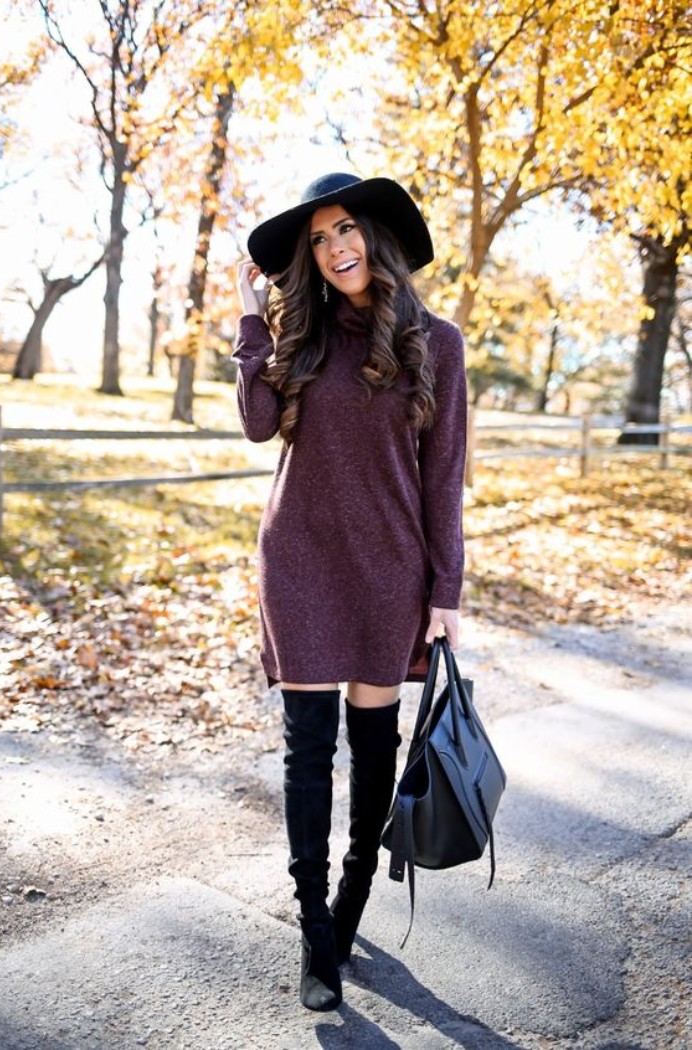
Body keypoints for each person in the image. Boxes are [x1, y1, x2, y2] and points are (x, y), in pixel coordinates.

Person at [233, 172, 467, 1012]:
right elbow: (260, 424)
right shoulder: (303, 336)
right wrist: (250, 324)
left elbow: (446, 477)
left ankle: (351, 901)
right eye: (319, 238)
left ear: (374, 234)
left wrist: (447, 586)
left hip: (389, 569)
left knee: (374, 750)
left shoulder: (436, 342)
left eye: (345, 230)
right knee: (306, 750)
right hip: (298, 557)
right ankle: (313, 933)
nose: (335, 248)